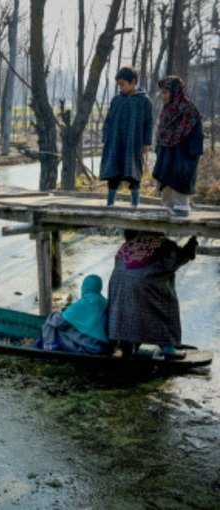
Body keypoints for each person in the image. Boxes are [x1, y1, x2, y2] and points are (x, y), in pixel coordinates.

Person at [107, 230, 198, 360]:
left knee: (128, 311)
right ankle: (168, 348)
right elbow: (177, 260)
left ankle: (127, 346)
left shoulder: (129, 244)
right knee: (164, 307)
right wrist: (191, 245)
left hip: (118, 286)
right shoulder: (164, 245)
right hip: (144, 286)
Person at [100, 66, 154, 208]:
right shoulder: (116, 100)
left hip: (134, 142)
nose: (121, 87)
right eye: (119, 85)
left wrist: (147, 143)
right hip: (115, 142)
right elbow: (108, 119)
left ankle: (135, 204)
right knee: (113, 172)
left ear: (133, 82)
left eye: (123, 84)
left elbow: (149, 123)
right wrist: (105, 137)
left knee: (134, 173)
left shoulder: (144, 101)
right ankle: (110, 203)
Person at [153, 76, 204, 217]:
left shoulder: (189, 110)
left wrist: (187, 154)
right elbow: (161, 132)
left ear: (175, 91)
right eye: (162, 92)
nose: (163, 96)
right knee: (166, 179)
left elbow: (196, 137)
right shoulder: (167, 109)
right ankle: (167, 207)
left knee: (178, 178)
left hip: (183, 155)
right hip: (167, 153)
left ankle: (181, 208)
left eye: (165, 92)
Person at [36, 274, 112, 355]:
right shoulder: (105, 303)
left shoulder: (85, 302)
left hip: (86, 348)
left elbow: (60, 322)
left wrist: (57, 314)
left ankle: (48, 346)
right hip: (101, 347)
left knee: (52, 321)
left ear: (85, 287)